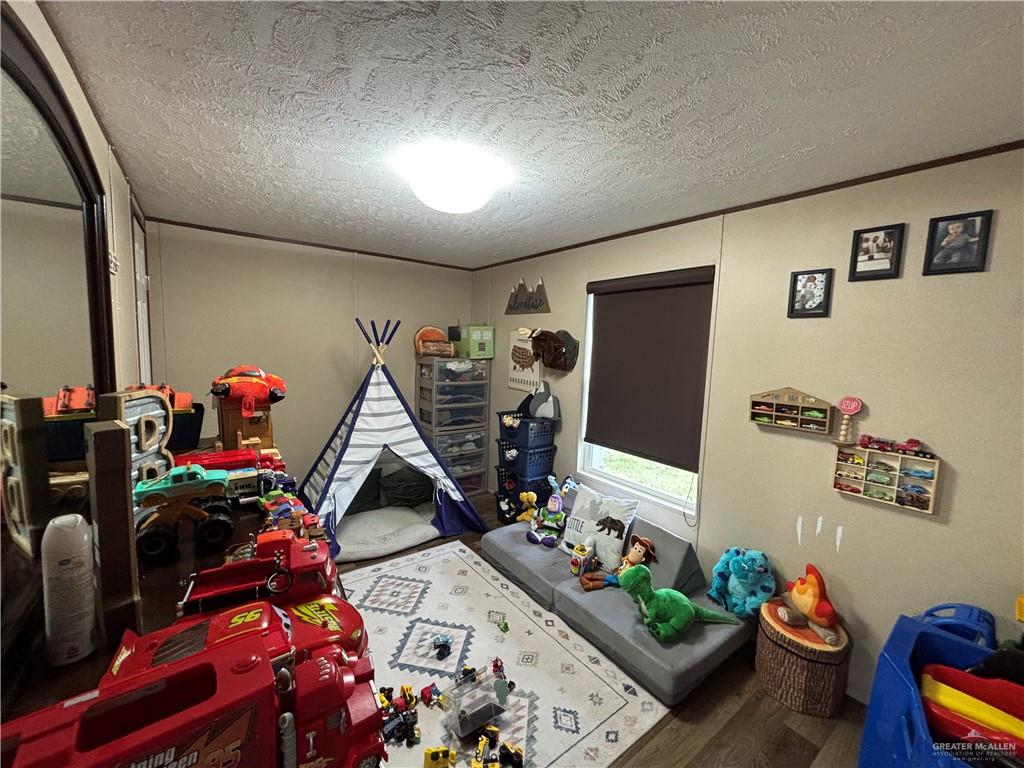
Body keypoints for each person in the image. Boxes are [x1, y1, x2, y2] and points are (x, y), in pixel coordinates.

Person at [580, 535, 658, 592]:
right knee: (607, 581)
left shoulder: (636, 568)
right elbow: (622, 561)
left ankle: (591, 580)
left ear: (643, 559)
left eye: (639, 551)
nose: (634, 550)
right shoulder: (627, 559)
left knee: (609, 579)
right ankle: (589, 584)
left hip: (621, 580)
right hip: (617, 574)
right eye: (635, 547)